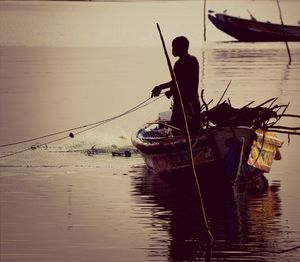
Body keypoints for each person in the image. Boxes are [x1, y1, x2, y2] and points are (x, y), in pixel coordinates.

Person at [151, 36, 201, 135]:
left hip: (185, 105)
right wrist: (172, 91)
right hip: (193, 103)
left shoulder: (180, 64)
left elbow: (179, 83)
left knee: (178, 130)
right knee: (191, 130)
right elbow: (181, 82)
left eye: (174, 47)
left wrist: (159, 87)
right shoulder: (193, 60)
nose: (172, 50)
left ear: (181, 48)